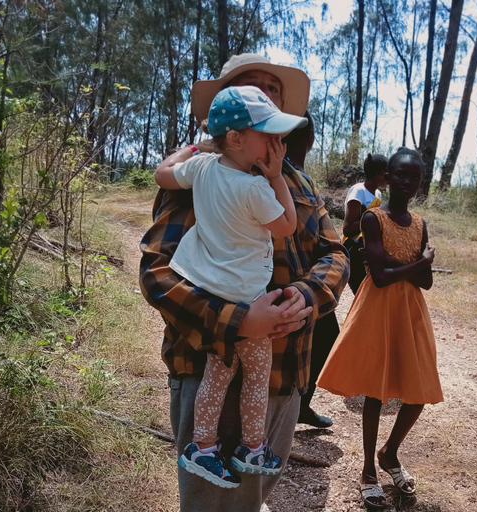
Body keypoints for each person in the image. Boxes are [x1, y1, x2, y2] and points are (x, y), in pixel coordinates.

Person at [139, 53, 348, 512]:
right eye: (249, 88)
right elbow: (157, 272)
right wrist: (239, 320)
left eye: (271, 90)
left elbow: (334, 254)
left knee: (251, 497)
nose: (263, 97)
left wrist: (305, 297)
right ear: (231, 122)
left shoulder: (299, 183)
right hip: (212, 365)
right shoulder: (202, 177)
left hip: (286, 372)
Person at [153, 85, 309, 486]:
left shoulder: (202, 168)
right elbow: (287, 227)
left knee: (217, 374)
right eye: (268, 134)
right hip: (247, 299)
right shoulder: (256, 188)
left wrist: (194, 148)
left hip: (213, 296)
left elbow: (161, 174)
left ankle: (202, 449)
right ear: (237, 138)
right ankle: (251, 446)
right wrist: (276, 178)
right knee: (257, 374)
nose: (278, 142)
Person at [317, 148, 443, 510]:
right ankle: (368, 469)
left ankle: (391, 453)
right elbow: (383, 277)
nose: (407, 182)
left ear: (420, 183)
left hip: (410, 310)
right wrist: (418, 262)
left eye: (414, 177)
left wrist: (410, 264)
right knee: (377, 390)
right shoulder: (373, 218)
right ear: (388, 177)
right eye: (400, 175)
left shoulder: (419, 224)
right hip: (378, 308)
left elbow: (427, 282)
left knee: (417, 391)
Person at [278, 112, 339, 430]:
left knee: (327, 333)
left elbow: (333, 250)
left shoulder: (304, 182)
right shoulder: (276, 177)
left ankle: (301, 403)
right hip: (286, 294)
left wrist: (309, 291)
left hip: (305, 289)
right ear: (311, 141)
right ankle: (296, 405)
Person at [342, 153, 388, 294]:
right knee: (362, 294)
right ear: (381, 174)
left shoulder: (377, 194)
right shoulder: (359, 191)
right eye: (388, 175)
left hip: (366, 251)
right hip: (354, 251)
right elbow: (348, 228)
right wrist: (373, 221)